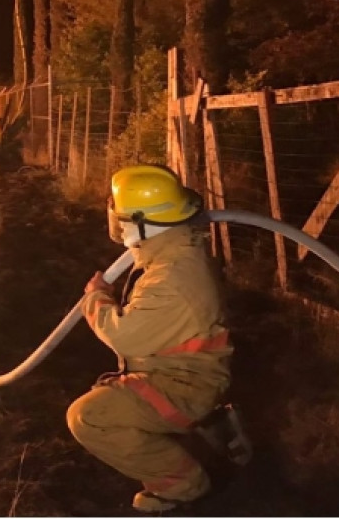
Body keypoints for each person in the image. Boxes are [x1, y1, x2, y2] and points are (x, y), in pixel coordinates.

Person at [67, 164, 249, 513]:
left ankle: (186, 484)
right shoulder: (172, 250)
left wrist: (96, 298)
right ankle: (210, 432)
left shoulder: (171, 277)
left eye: (121, 219)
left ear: (140, 223)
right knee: (112, 402)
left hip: (185, 386)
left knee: (88, 418)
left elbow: (124, 337)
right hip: (184, 373)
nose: (117, 226)